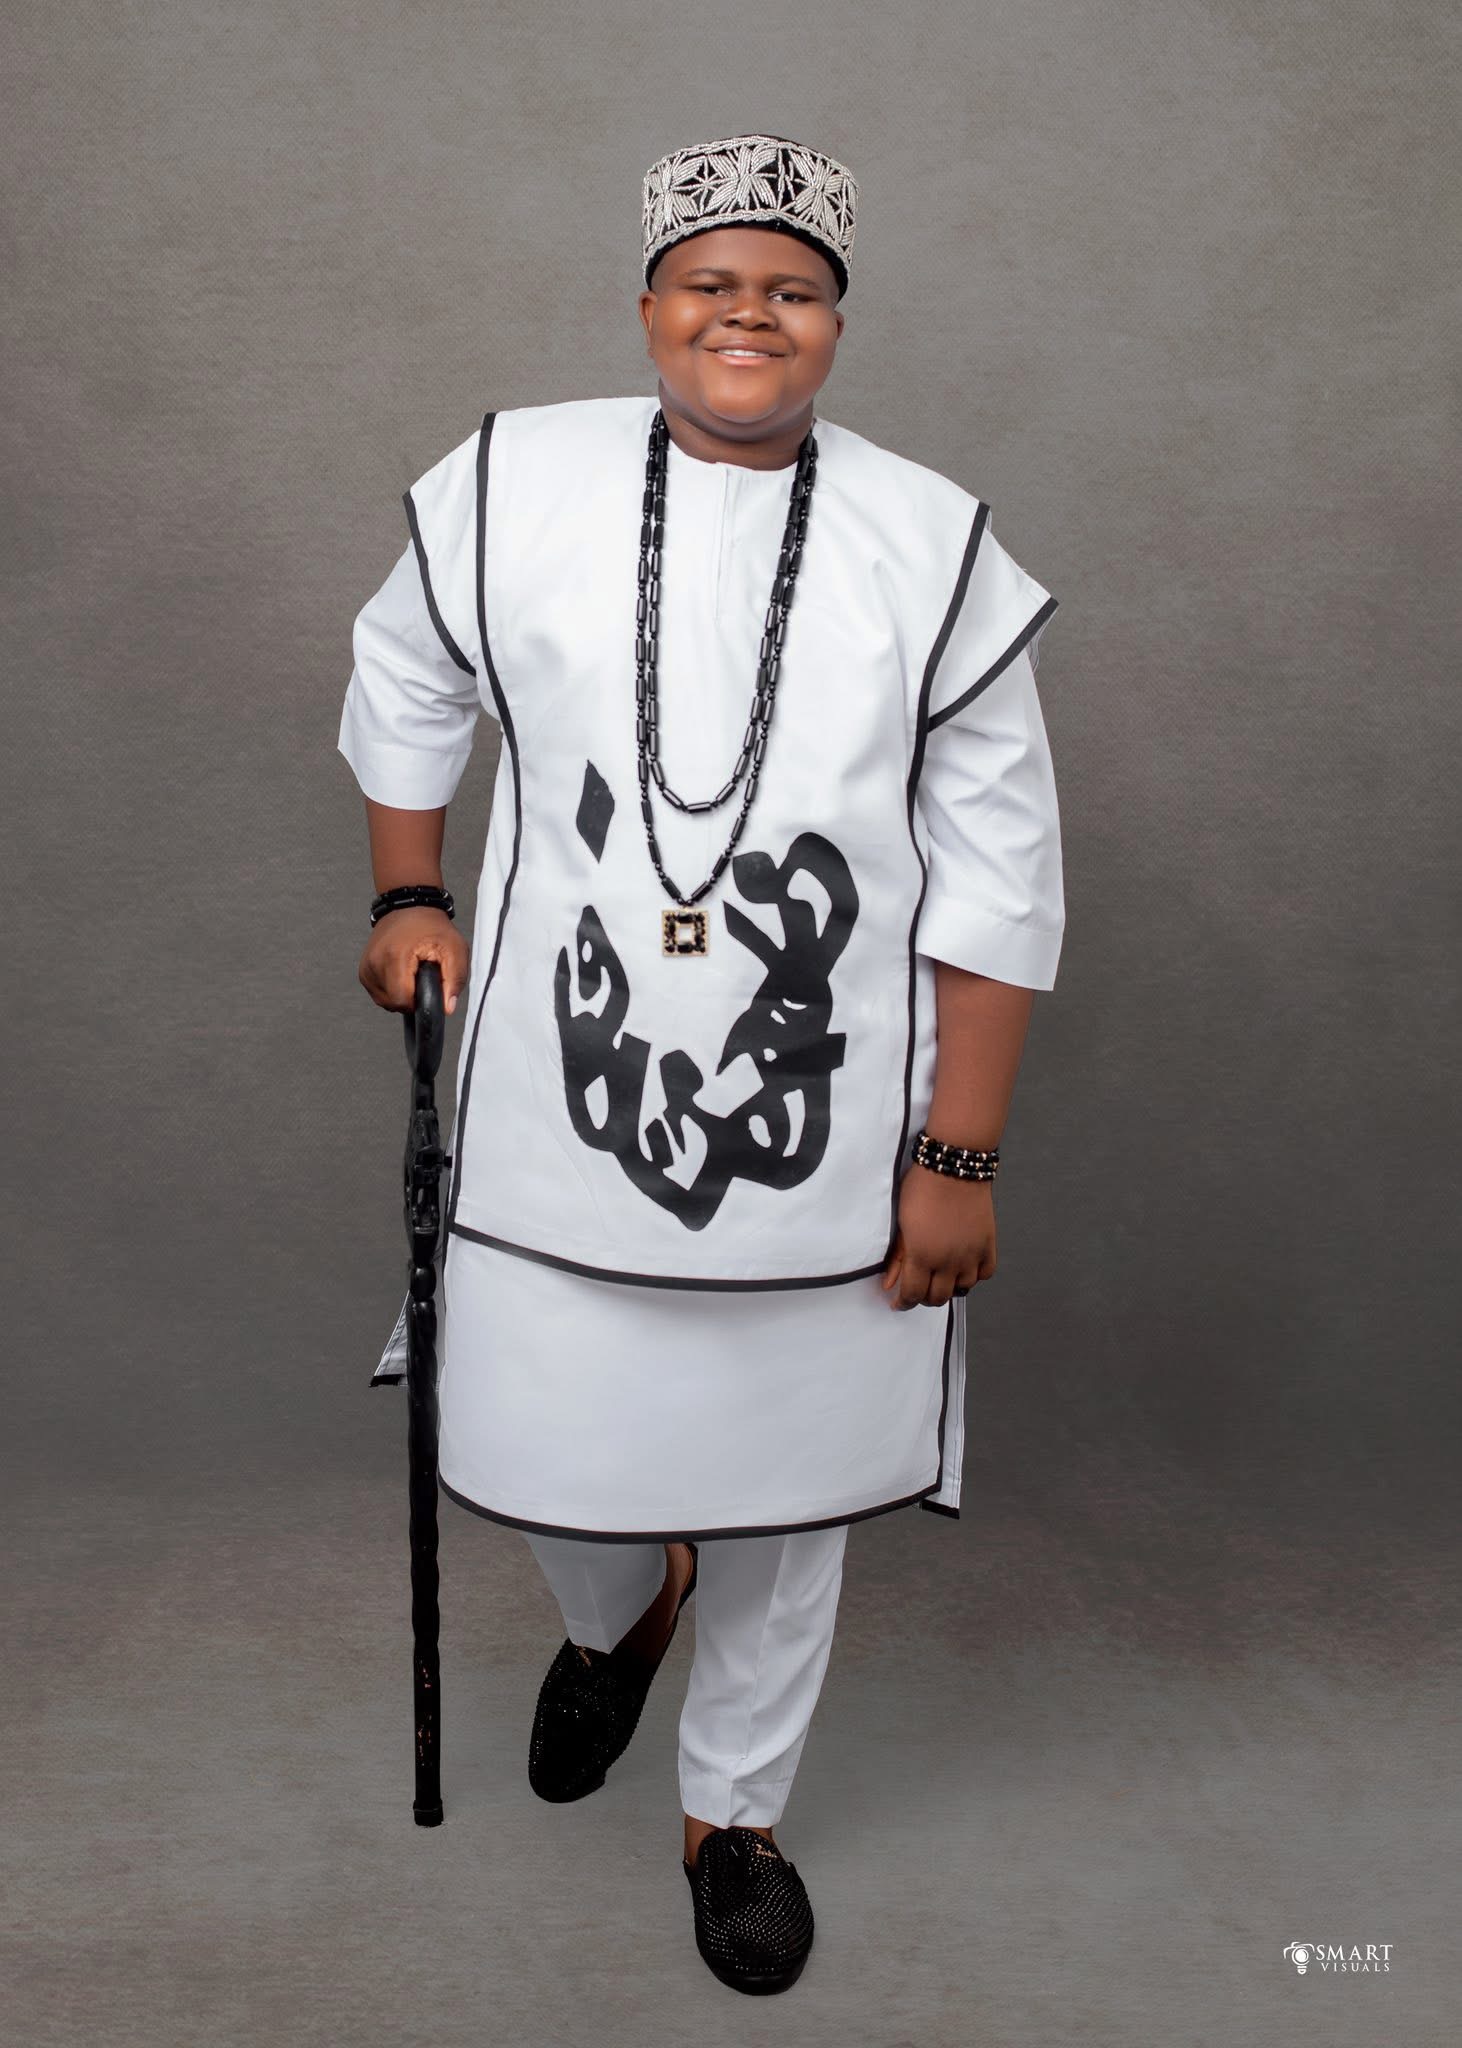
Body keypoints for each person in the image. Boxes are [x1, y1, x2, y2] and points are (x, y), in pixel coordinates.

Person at [338, 131, 1065, 1995]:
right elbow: (406, 672)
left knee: (786, 1495)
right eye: (712, 282)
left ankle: (730, 1819)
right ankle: (620, 1609)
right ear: (649, 303)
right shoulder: (508, 481)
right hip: (554, 1090)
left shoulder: (934, 545)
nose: (750, 315)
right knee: (536, 1449)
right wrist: (410, 887)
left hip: (823, 1115)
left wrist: (957, 1155)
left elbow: (1002, 873)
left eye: (792, 289)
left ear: (838, 322)